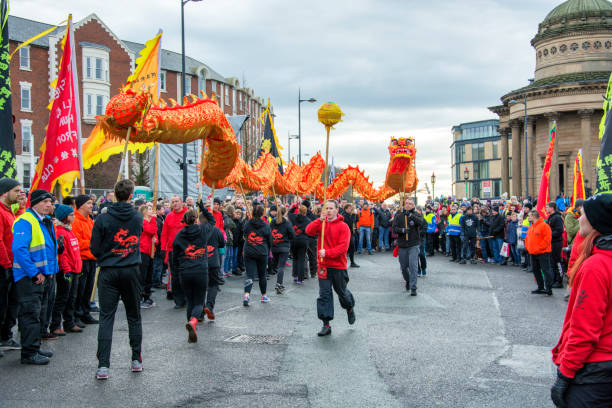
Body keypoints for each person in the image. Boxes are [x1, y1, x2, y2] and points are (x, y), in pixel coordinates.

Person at [550, 194, 612, 407]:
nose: (578, 218)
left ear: (597, 222)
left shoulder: (596, 266)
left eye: (582, 213)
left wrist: (565, 374)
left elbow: (584, 331)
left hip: (594, 371)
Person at [90, 180, 143, 380]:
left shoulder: (103, 219)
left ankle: (103, 365)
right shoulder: (137, 216)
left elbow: (94, 248)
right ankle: (136, 359)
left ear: (114, 194)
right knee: (134, 315)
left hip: (109, 270)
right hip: (130, 269)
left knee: (106, 317)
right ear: (131, 196)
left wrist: (107, 253)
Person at [12, 189, 57, 364]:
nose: (49, 205)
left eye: (50, 202)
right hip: (29, 277)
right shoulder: (25, 220)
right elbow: (19, 250)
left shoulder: (43, 221)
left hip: (43, 275)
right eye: (45, 201)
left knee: (39, 313)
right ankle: (29, 353)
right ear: (35, 202)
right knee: (30, 314)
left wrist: (50, 272)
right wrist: (34, 272)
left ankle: (35, 347)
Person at [306, 200, 354, 336]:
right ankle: (326, 324)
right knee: (324, 294)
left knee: (342, 292)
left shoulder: (344, 226)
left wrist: (327, 253)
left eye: (331, 208)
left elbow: (343, 248)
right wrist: (318, 220)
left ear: (337, 210)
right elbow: (308, 231)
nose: (328, 211)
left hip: (338, 265)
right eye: (326, 208)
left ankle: (349, 307)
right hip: (323, 266)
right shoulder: (321, 223)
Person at [171, 208, 212, 343]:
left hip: (185, 271)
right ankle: (194, 321)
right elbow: (212, 220)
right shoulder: (203, 230)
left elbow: (174, 256)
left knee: (190, 301)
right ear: (196, 219)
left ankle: (191, 328)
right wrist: (204, 209)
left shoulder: (179, 235)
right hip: (200, 270)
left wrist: (176, 272)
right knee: (199, 301)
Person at [50, 204, 84, 336]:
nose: (73, 217)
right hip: (66, 271)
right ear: (64, 217)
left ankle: (69, 322)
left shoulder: (69, 231)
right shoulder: (61, 232)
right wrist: (66, 270)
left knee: (72, 298)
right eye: (71, 215)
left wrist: (78, 268)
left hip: (75, 270)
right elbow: (63, 255)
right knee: (62, 298)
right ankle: (55, 324)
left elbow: (75, 252)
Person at [0, 179, 21, 357]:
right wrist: (7, 264)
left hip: (11, 265)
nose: (19, 194)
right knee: (1, 304)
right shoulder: (0, 212)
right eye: (16, 191)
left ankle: (6, 336)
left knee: (10, 304)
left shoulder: (8, 211)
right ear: (5, 192)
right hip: (3, 266)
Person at [72, 194, 99, 326]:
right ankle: (77, 314)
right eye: (89, 203)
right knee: (80, 289)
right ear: (81, 205)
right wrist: (92, 243)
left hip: (91, 258)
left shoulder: (89, 219)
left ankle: (85, 312)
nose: (91, 205)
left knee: (88, 288)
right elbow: (77, 241)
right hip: (82, 259)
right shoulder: (75, 220)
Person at [242, 204, 273, 306]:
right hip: (262, 252)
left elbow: (245, 233)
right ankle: (263, 296)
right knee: (262, 275)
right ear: (262, 213)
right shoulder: (266, 225)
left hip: (249, 251)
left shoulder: (248, 223)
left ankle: (247, 295)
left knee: (249, 274)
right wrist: (268, 250)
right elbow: (270, 240)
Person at [393, 199, 424, 295]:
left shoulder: (417, 215)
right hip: (402, 245)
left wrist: (410, 215)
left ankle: (413, 287)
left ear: (413, 205)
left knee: (413, 266)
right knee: (403, 267)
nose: (408, 205)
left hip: (413, 245)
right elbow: (394, 229)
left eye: (410, 204)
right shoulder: (398, 216)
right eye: (406, 203)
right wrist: (402, 230)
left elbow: (421, 223)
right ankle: (408, 281)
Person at [161, 195, 187, 308]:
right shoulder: (168, 216)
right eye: (173, 202)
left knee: (185, 274)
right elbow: (164, 234)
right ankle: (179, 300)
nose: (175, 203)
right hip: (172, 250)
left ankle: (187, 297)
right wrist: (163, 249)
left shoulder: (187, 215)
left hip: (186, 250)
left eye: (177, 201)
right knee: (175, 275)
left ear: (181, 202)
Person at [525, 210, 554, 296]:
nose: (528, 217)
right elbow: (527, 238)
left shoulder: (544, 226)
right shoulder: (532, 226)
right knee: (535, 270)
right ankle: (540, 287)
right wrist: (528, 247)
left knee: (546, 270)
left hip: (543, 252)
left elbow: (547, 240)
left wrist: (538, 248)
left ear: (534, 216)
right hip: (533, 252)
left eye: (529, 216)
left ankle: (549, 289)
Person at [272, 206, 295, 294]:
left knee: (278, 266)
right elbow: (292, 234)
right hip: (284, 246)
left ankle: (279, 283)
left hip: (274, 246)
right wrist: (288, 239)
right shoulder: (287, 223)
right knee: (281, 266)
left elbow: (270, 232)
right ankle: (279, 283)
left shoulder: (272, 222)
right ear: (285, 212)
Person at [138, 204, 157, 309]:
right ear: (144, 211)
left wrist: (156, 240)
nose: (152, 211)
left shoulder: (149, 222)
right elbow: (151, 231)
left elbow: (155, 235)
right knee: (143, 275)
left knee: (149, 275)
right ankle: (140, 297)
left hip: (150, 251)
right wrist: (153, 219)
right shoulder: (143, 222)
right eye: (149, 209)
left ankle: (147, 295)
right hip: (143, 251)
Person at [546, 202, 565, 288]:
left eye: (547, 207)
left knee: (557, 261)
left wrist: (549, 234)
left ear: (552, 208)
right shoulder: (550, 217)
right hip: (551, 242)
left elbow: (559, 230)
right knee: (552, 262)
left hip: (556, 242)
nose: (546, 209)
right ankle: (554, 279)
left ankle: (559, 281)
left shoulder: (557, 217)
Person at [292, 205, 311, 284]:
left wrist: (294, 207)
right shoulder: (308, 220)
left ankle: (295, 276)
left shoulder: (293, 218)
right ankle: (300, 279)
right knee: (301, 259)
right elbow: (309, 231)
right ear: (306, 212)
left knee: (295, 258)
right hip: (303, 240)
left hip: (294, 239)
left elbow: (289, 213)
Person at [341, 203, 359, 268]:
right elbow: (350, 222)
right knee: (345, 249)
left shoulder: (352, 214)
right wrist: (353, 216)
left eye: (351, 208)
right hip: (345, 233)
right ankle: (342, 263)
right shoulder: (344, 215)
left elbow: (357, 220)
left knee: (352, 248)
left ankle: (352, 262)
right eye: (349, 208)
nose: (351, 209)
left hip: (352, 232)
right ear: (346, 209)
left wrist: (355, 214)